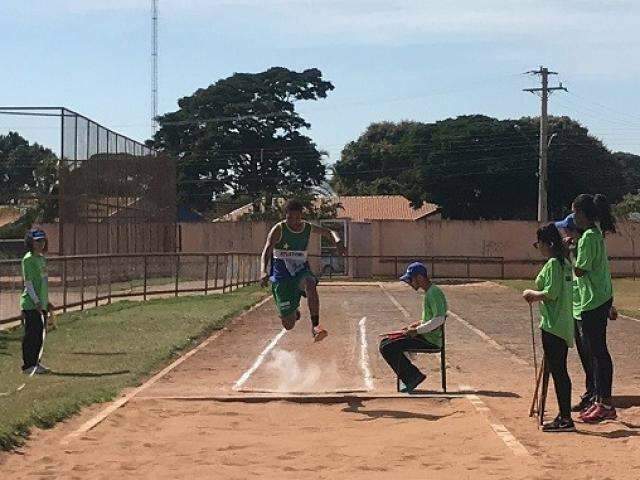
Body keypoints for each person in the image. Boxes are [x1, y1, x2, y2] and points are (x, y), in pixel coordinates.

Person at [260, 199, 345, 341]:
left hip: (301, 270)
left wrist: (338, 241)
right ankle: (293, 310)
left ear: (301, 216)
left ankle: (316, 326)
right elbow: (266, 250)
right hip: (282, 276)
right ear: (285, 216)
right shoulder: (279, 229)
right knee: (289, 325)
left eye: (297, 217)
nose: (294, 221)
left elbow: (330, 232)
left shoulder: (307, 228)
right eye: (290, 218)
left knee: (310, 283)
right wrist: (263, 270)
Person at [523, 224, 575, 432]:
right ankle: (563, 414)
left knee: (559, 371)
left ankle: (565, 418)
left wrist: (531, 294)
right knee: (558, 369)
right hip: (562, 322)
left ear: (548, 244)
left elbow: (550, 293)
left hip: (553, 325)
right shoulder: (564, 263)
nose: (539, 248)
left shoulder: (554, 264)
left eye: (539, 244)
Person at [571, 194, 617, 423]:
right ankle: (599, 400)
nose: (573, 217)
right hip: (598, 298)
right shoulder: (595, 234)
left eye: (575, 212)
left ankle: (605, 403)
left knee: (598, 353)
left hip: (594, 301)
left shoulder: (589, 236)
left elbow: (580, 270)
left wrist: (568, 252)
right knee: (596, 352)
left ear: (582, 213)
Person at [379, 262, 446, 394]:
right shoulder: (430, 292)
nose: (409, 283)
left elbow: (439, 319)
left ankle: (413, 376)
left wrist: (416, 331)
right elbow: (430, 319)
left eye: (410, 279)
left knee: (387, 347)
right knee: (386, 342)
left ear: (420, 278)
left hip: (430, 340)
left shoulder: (434, 293)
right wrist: (416, 324)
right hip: (425, 335)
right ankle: (411, 376)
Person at [20, 229, 54, 375]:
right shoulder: (28, 259)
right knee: (32, 334)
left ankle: (36, 362)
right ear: (31, 243)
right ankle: (28, 365)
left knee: (40, 333)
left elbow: (43, 283)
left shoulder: (41, 259)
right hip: (31, 304)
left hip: (42, 303)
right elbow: (28, 283)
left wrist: (47, 301)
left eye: (42, 240)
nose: (41, 243)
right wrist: (36, 302)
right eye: (38, 241)